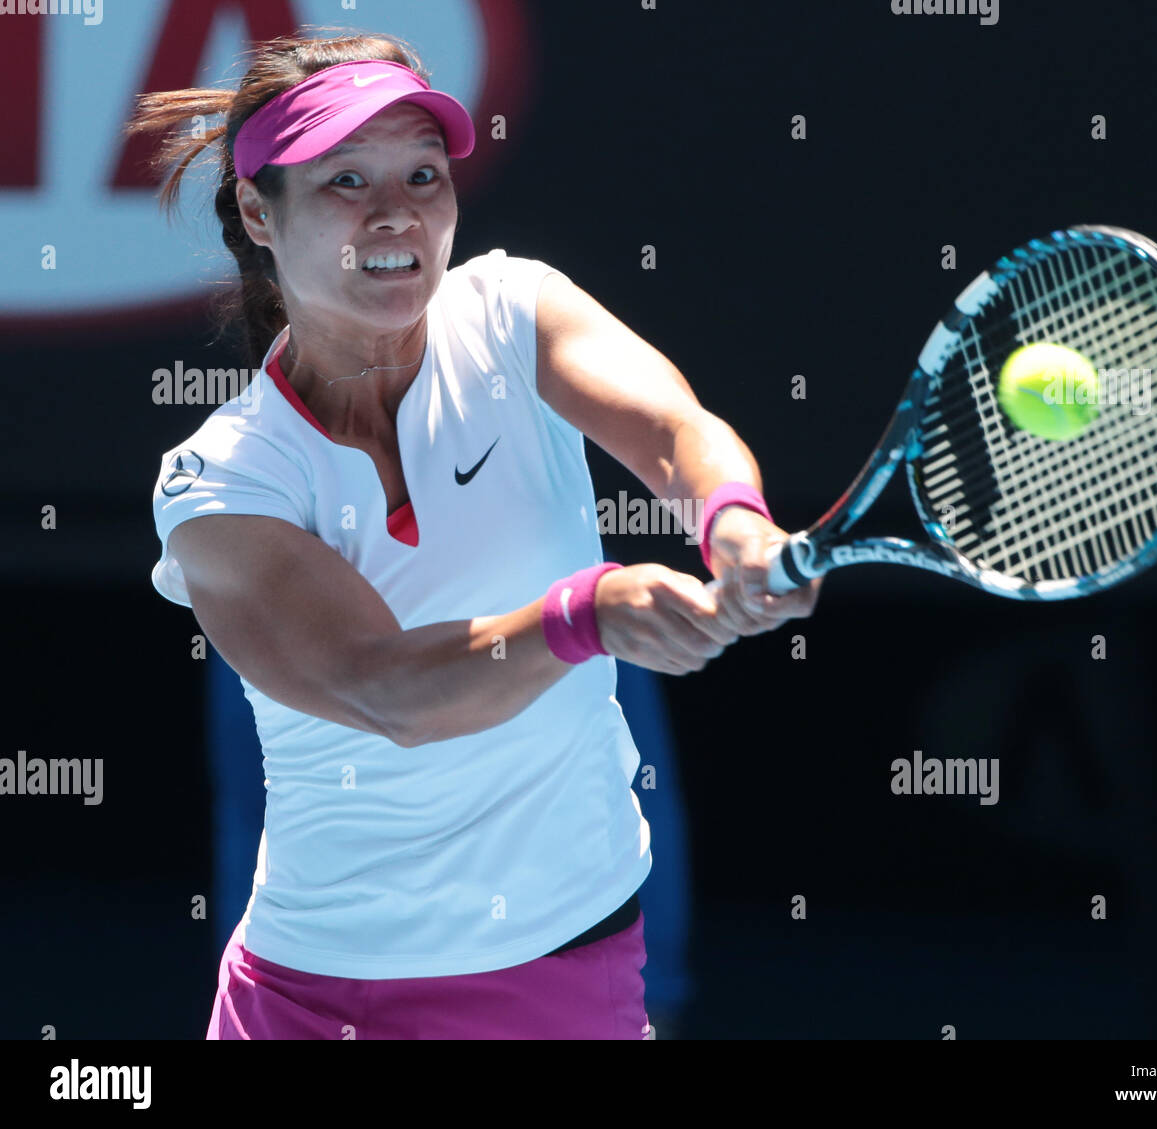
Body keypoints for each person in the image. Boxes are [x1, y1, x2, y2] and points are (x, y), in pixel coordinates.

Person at [130, 31, 821, 1040]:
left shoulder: (511, 312)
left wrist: (734, 522)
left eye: (422, 172)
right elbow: (382, 684)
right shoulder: (222, 482)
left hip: (566, 968)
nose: (396, 211)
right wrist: (586, 614)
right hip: (318, 1002)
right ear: (255, 213)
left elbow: (676, 432)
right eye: (345, 181)